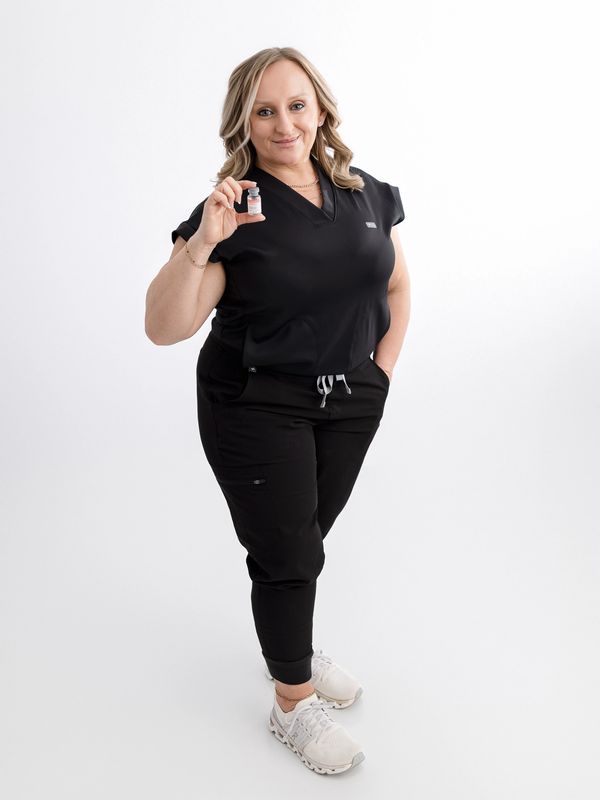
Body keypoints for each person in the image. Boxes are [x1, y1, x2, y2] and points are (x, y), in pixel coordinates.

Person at [145, 46, 411, 775]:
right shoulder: (232, 210)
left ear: (321, 107)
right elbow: (163, 327)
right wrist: (202, 245)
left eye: (297, 104)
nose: (284, 123)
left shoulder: (369, 193)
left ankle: (288, 640)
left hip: (351, 397)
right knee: (288, 552)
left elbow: (395, 291)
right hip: (255, 402)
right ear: (245, 123)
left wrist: (377, 379)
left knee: (303, 540)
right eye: (265, 110)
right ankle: (291, 698)